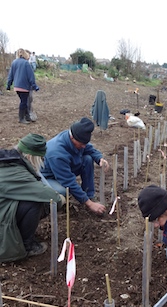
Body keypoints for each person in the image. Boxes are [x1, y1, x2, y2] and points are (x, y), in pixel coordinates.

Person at [0, 133, 65, 262]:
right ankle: (26, 246)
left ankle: (20, 233)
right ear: (32, 156)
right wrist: (61, 199)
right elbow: (50, 197)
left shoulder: (9, 161)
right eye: (41, 158)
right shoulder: (17, 172)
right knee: (37, 204)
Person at [40, 117, 109, 215]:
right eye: (81, 144)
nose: (84, 146)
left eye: (85, 143)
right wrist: (89, 204)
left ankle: (89, 195)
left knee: (88, 159)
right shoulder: (56, 153)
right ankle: (62, 204)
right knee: (63, 191)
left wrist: (99, 158)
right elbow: (68, 181)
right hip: (50, 177)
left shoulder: (77, 136)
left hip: (66, 167)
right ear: (72, 138)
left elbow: (89, 148)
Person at [6, 48, 39, 124]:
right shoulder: (26, 63)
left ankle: (27, 117)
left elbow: (11, 75)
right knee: (24, 102)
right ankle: (21, 118)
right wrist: (34, 86)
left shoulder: (14, 62)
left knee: (24, 101)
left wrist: (9, 85)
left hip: (17, 87)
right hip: (24, 86)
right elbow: (31, 76)